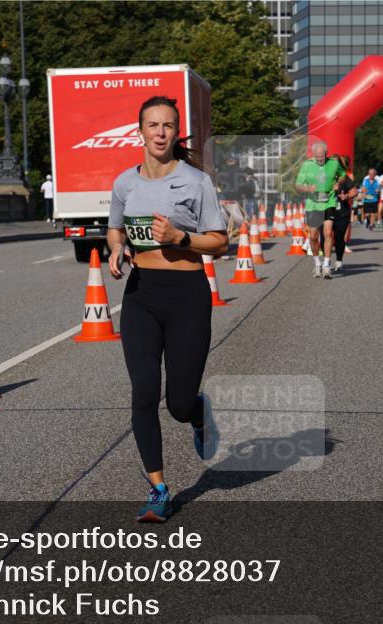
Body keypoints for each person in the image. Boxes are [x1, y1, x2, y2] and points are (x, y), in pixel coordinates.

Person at [105, 96, 228, 523]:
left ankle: (197, 412)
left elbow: (220, 241)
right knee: (143, 394)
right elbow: (115, 230)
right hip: (141, 295)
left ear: (176, 133)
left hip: (187, 294)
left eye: (168, 126)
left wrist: (179, 237)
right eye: (153, 125)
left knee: (176, 403)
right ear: (139, 132)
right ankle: (158, 488)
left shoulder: (195, 181)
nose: (160, 132)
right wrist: (116, 251)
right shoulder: (124, 183)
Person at [296, 141, 345, 279]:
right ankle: (317, 263)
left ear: (326, 153)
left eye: (322, 156)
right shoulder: (307, 165)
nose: (319, 159)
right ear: (313, 154)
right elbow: (298, 185)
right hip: (313, 205)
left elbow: (343, 175)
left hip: (329, 202)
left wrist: (338, 183)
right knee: (313, 236)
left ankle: (326, 265)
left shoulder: (334, 163)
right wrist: (307, 188)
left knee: (328, 232)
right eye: (317, 156)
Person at [330, 154, 357, 273]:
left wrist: (346, 196)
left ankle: (339, 261)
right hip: (327, 211)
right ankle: (325, 262)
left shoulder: (345, 178)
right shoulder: (323, 177)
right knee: (325, 236)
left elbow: (354, 192)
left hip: (342, 212)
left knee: (339, 238)